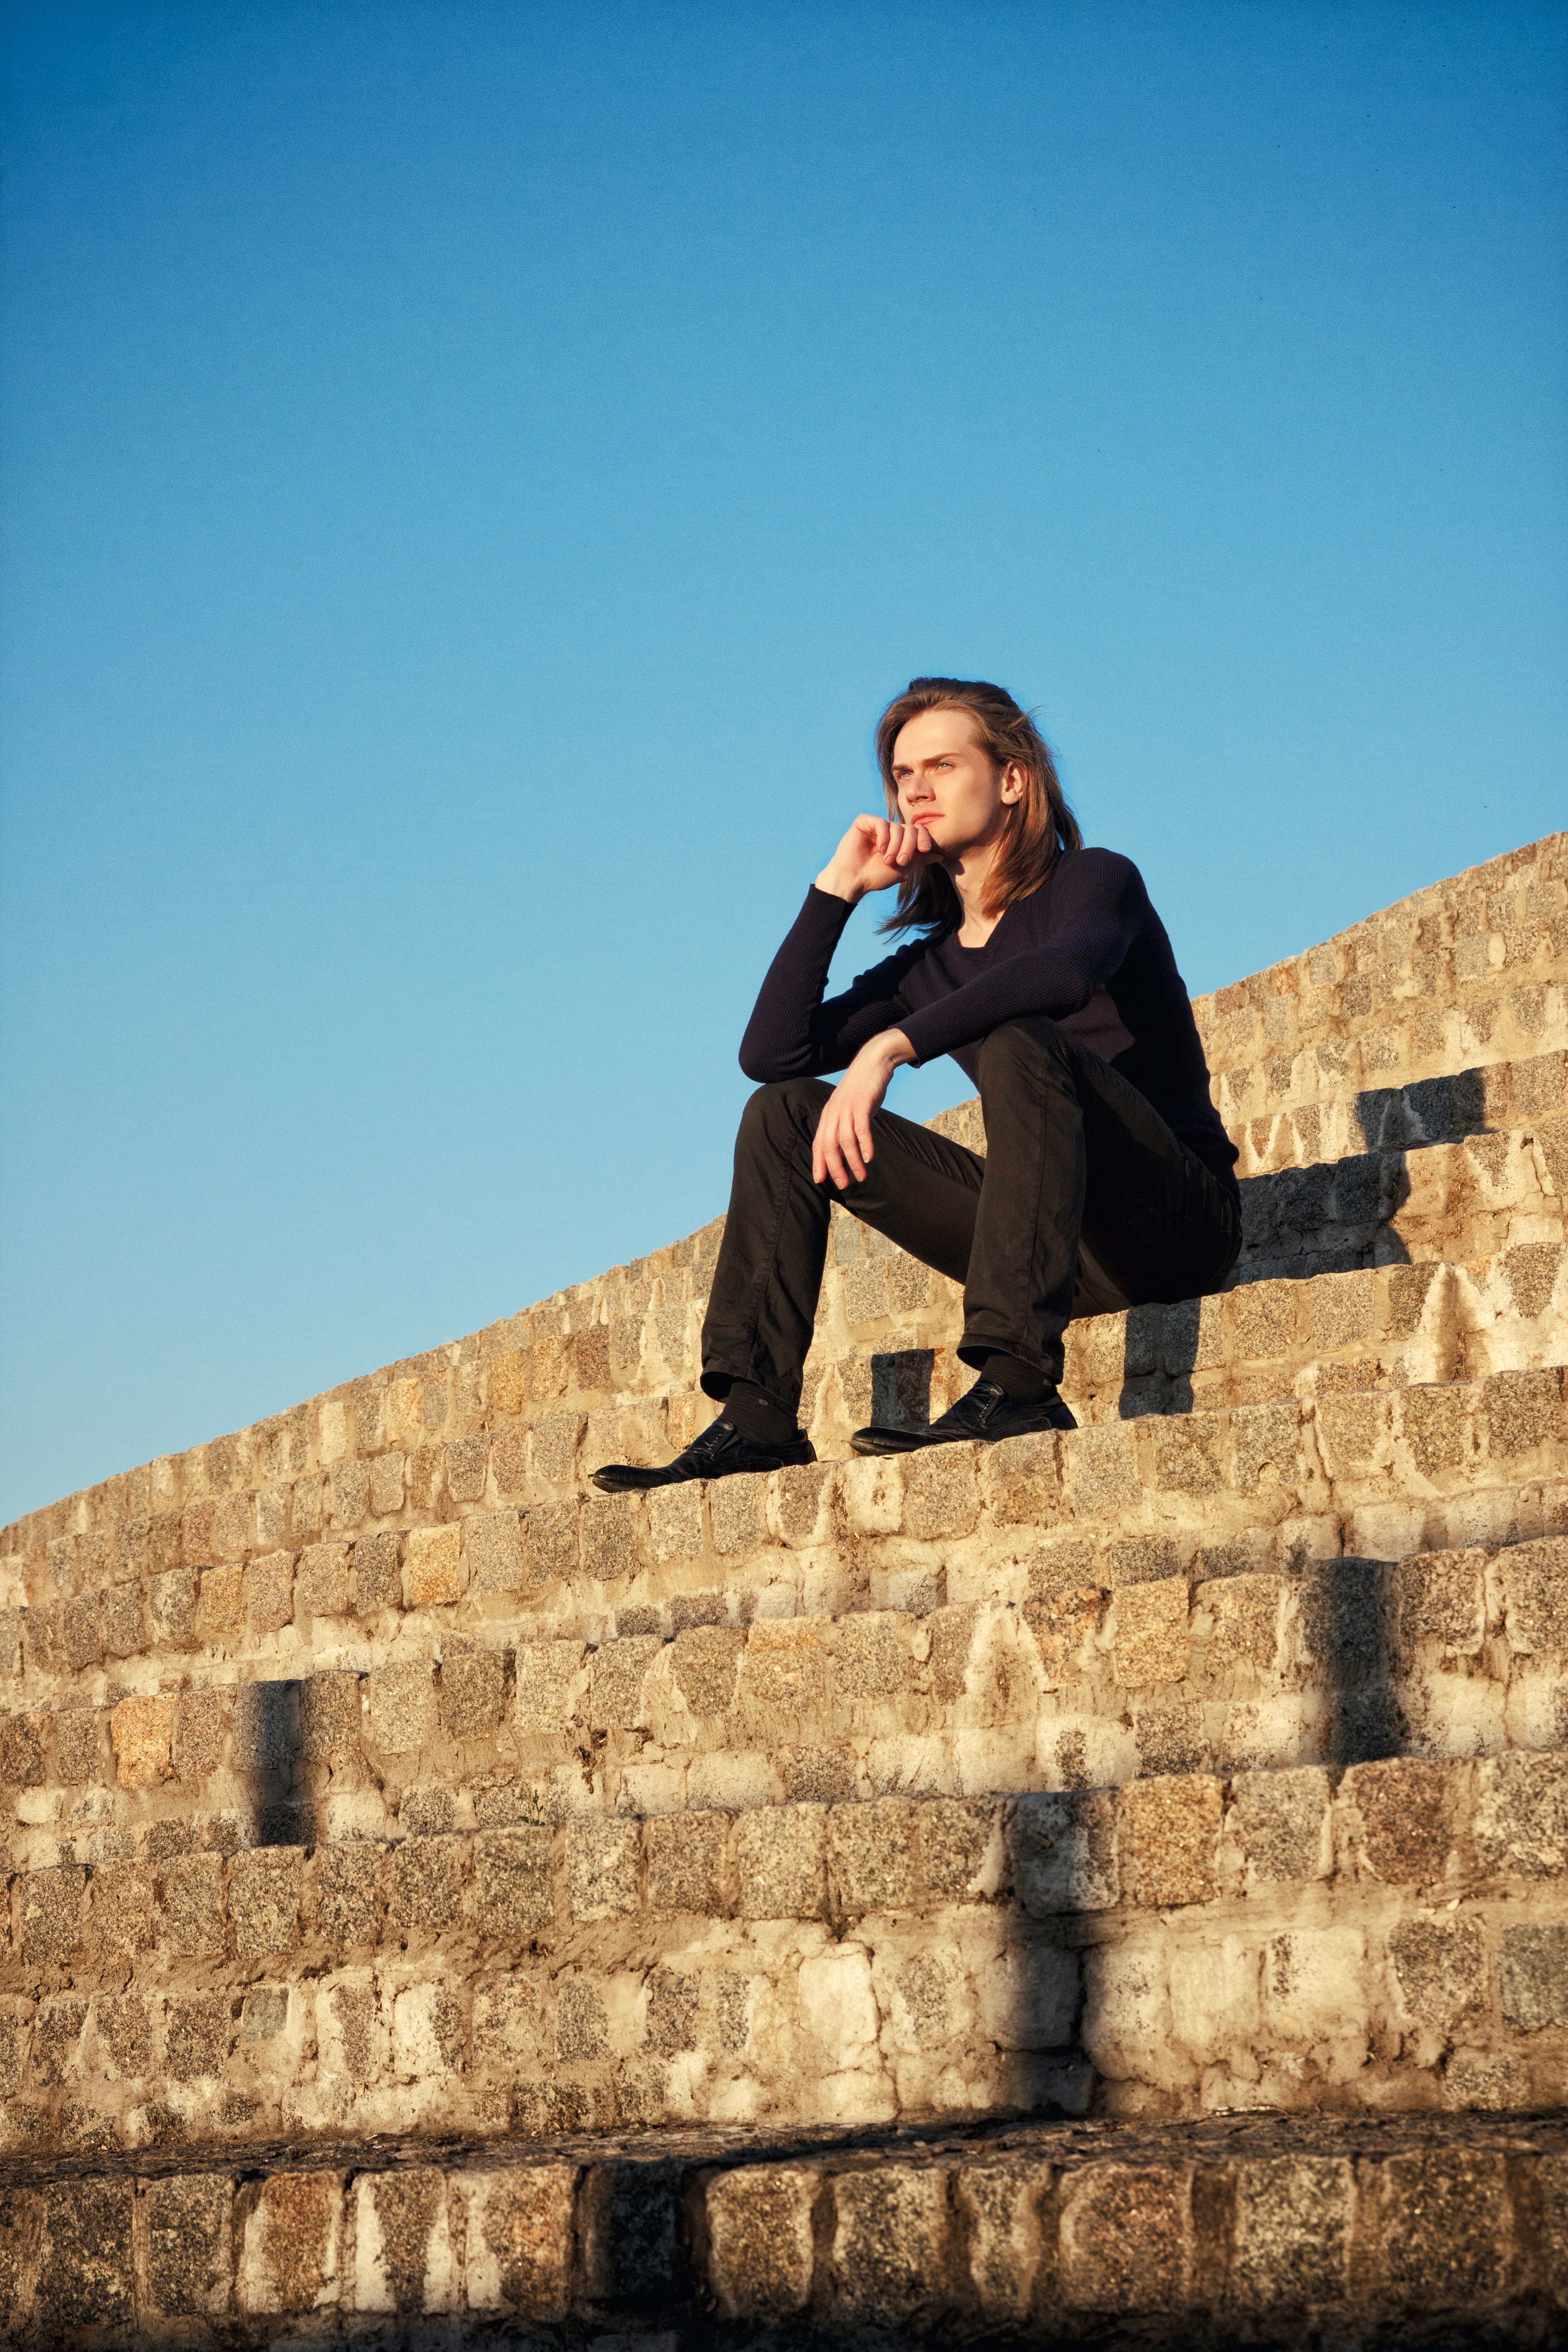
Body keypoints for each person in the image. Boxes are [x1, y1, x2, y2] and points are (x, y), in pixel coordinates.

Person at [593, 676, 1240, 1493]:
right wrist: (833, 892)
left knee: (1020, 1044)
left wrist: (892, 1048)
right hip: (1055, 1249)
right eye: (903, 776)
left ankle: (1019, 1387)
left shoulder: (1096, 882)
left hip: (1174, 1228)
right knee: (786, 1113)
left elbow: (1065, 972)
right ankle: (757, 1420)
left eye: (942, 764)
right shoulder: (927, 965)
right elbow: (773, 1052)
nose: (918, 789)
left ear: (1012, 780)